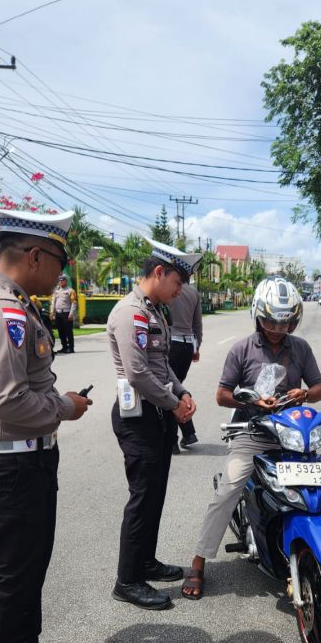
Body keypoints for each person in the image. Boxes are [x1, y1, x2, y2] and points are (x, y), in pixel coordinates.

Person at [182, 276, 321, 599]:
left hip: (295, 436)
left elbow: (318, 388)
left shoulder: (301, 348)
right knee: (228, 489)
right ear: (258, 317)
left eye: (285, 322)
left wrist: (304, 393)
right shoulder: (242, 349)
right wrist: (249, 401)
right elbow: (222, 395)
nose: (278, 328)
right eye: (271, 321)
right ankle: (198, 562)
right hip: (252, 433)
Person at [0, 207, 92, 643]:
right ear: (34, 255)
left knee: (30, 564)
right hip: (10, 466)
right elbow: (7, 402)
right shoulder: (5, 312)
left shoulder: (22, 306)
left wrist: (58, 404)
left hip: (31, 460)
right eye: (59, 259)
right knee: (10, 572)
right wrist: (65, 409)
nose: (63, 270)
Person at [107, 239, 202, 610]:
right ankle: (127, 580)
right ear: (159, 273)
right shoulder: (131, 313)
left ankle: (145, 561)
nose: (181, 291)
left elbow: (162, 367)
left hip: (157, 413)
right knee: (142, 498)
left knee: (156, 494)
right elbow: (137, 373)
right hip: (139, 416)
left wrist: (183, 391)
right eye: (178, 282)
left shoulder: (155, 311)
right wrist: (174, 403)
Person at [169, 281, 203, 453]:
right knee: (176, 387)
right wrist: (197, 347)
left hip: (170, 343)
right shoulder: (193, 292)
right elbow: (197, 324)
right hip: (187, 345)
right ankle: (188, 432)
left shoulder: (167, 287)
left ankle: (172, 440)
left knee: (169, 389)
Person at [51, 273, 76, 353]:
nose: (61, 282)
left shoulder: (70, 290)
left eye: (62, 280)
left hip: (67, 313)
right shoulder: (56, 291)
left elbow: (74, 302)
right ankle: (64, 347)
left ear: (66, 281)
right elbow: (53, 302)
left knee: (68, 331)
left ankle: (71, 348)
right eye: (59, 280)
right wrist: (52, 313)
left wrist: (71, 313)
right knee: (61, 331)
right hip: (58, 314)